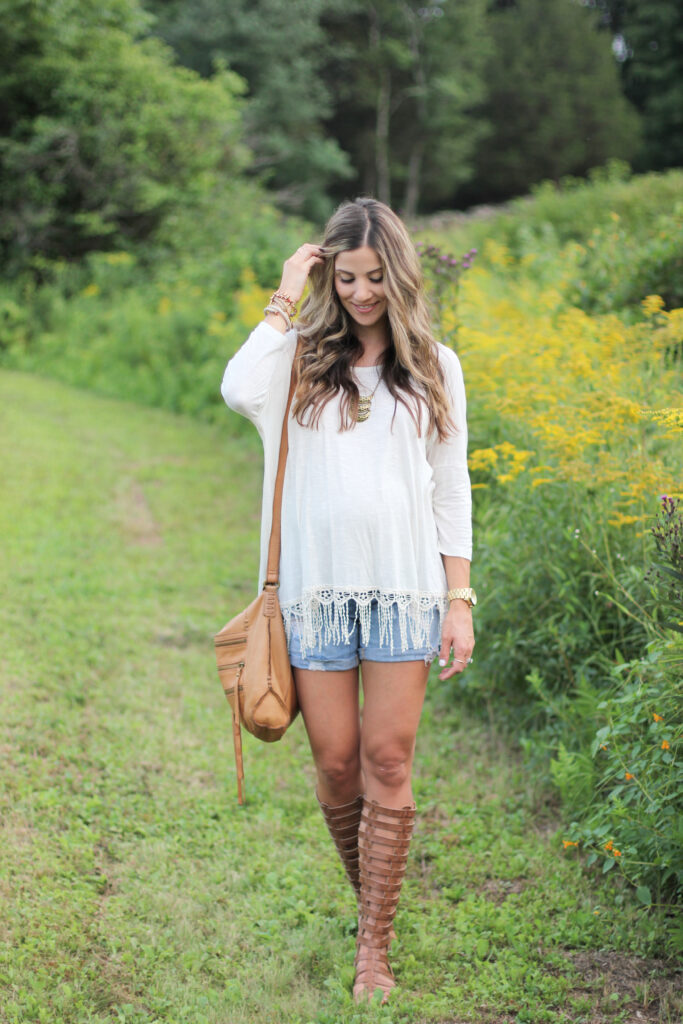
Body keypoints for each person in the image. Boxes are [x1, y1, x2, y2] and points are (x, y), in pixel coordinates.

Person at [221, 197, 474, 1004]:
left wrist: (458, 597)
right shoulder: (293, 357)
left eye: (375, 278)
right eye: (348, 277)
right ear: (330, 275)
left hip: (405, 593)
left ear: (397, 276)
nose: (362, 294)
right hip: (315, 595)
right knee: (335, 766)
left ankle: (374, 948)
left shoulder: (436, 363)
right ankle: (370, 903)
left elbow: (450, 487)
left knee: (387, 760)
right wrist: (285, 292)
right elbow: (233, 388)